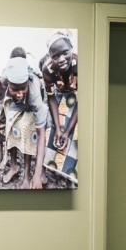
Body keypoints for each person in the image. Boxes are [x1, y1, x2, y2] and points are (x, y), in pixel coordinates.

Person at [0, 54, 51, 189]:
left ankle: (28, 175)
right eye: (15, 89)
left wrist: (37, 174)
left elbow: (41, 135)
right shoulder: (4, 78)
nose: (19, 93)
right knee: (10, 129)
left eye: (23, 88)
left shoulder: (34, 92)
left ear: (28, 82)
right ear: (8, 83)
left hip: (31, 104)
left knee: (27, 131)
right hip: (16, 104)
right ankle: (14, 166)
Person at [39, 33, 78, 178]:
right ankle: (49, 166)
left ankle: (71, 170)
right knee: (52, 126)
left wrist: (67, 131)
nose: (61, 59)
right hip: (60, 95)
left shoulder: (79, 63)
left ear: (71, 48)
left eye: (65, 53)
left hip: (77, 96)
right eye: (56, 56)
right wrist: (58, 127)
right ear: (50, 56)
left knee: (75, 130)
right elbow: (51, 99)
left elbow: (83, 101)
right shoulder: (47, 70)